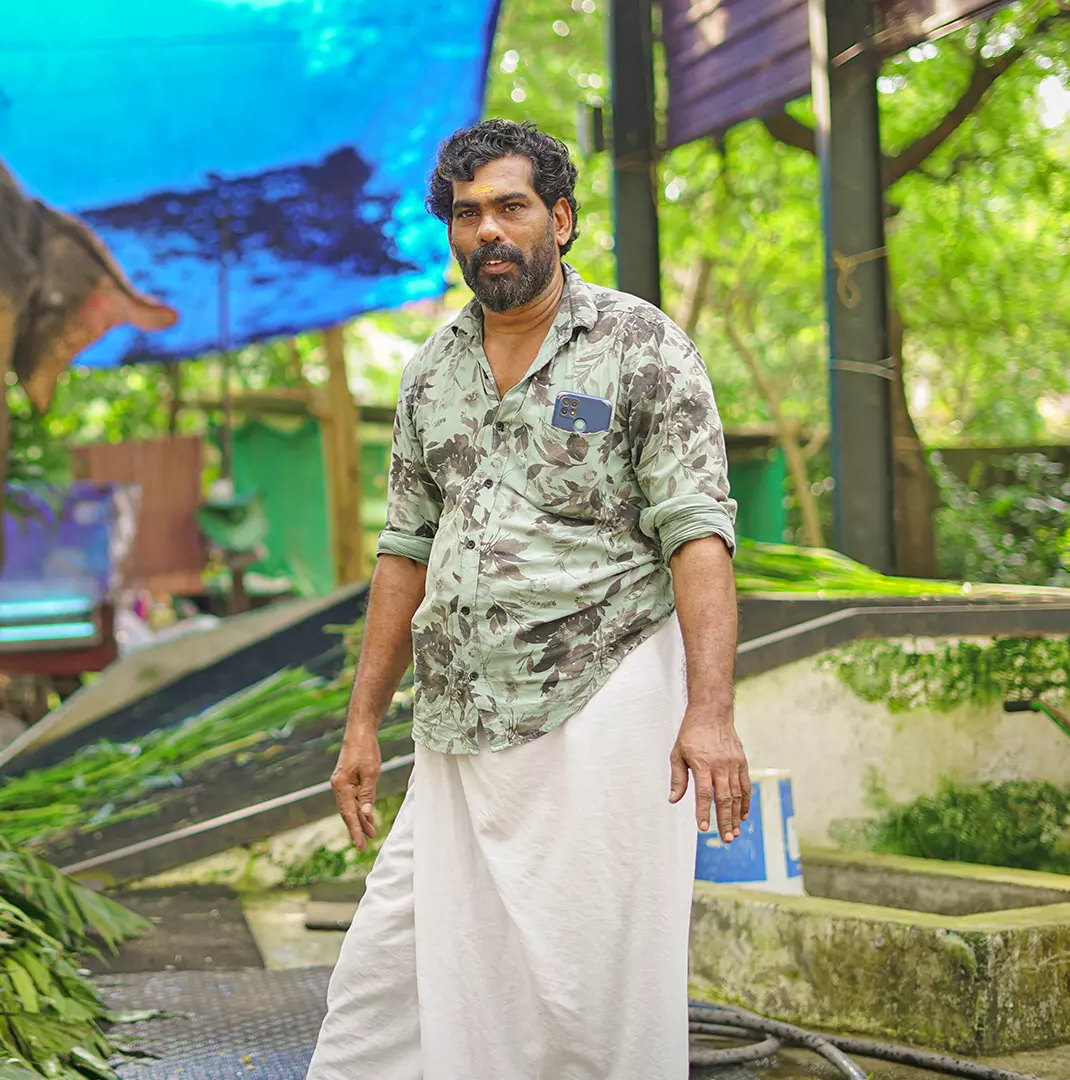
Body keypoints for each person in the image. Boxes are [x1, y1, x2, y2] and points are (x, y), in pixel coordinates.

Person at [306, 119, 750, 1079]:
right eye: (467, 215)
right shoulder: (431, 375)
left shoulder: (640, 347)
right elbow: (402, 552)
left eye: (509, 207)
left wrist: (709, 713)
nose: (487, 232)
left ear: (561, 217)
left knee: (585, 983)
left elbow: (698, 531)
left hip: (603, 699)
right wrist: (361, 726)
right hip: (458, 719)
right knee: (389, 979)